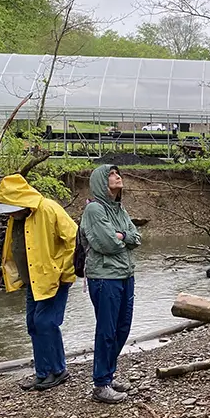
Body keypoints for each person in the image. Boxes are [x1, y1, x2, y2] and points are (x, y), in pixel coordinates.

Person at [0, 174, 78, 392]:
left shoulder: (48, 209)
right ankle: (43, 372)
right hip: (33, 281)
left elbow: (74, 238)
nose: (7, 213)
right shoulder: (16, 218)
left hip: (53, 279)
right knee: (33, 324)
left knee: (45, 323)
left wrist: (64, 271)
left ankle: (57, 370)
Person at [80, 165, 141, 404]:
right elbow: (107, 244)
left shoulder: (119, 208)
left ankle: (108, 374)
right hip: (105, 278)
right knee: (107, 330)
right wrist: (119, 238)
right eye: (112, 175)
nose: (118, 177)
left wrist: (122, 235)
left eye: (118, 174)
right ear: (101, 182)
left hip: (125, 274)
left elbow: (135, 237)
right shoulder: (94, 209)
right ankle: (100, 384)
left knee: (122, 327)